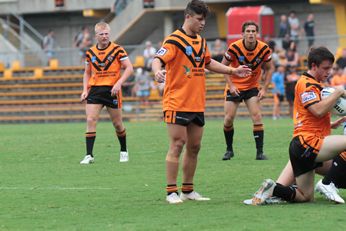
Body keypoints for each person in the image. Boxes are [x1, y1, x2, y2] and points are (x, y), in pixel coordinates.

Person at [151, 0, 251, 204]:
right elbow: (157, 59)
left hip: (196, 103)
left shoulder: (200, 41)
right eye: (199, 19)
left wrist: (233, 70)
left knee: (195, 146)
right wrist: (157, 72)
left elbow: (208, 62)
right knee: (177, 144)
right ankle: (171, 191)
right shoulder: (174, 40)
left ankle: (187, 190)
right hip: (176, 101)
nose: (202, 23)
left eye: (204, 20)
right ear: (188, 17)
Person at [249, 46, 346, 205]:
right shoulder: (307, 84)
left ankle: (273, 189)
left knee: (305, 196)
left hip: (302, 147)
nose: (329, 72)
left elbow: (312, 116)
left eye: (331, 68)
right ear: (314, 66)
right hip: (308, 143)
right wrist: (337, 92)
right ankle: (328, 184)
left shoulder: (315, 84)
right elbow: (318, 110)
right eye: (325, 68)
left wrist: (331, 124)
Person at [80, 22, 133, 164]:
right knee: (90, 120)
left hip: (112, 90)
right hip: (95, 90)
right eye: (101, 34)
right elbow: (87, 73)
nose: (104, 36)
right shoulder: (90, 52)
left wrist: (118, 83)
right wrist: (85, 90)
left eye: (106, 34)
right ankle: (89, 155)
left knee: (117, 124)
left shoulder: (118, 50)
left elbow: (129, 68)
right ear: (96, 36)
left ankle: (123, 150)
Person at [221, 21, 274, 161]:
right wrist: (231, 86)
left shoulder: (264, 49)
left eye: (253, 31)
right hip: (235, 87)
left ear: (257, 33)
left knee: (257, 117)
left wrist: (265, 87)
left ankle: (260, 153)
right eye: (248, 31)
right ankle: (229, 150)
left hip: (252, 86)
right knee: (228, 119)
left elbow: (270, 68)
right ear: (243, 34)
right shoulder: (234, 47)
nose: (251, 34)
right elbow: (223, 67)